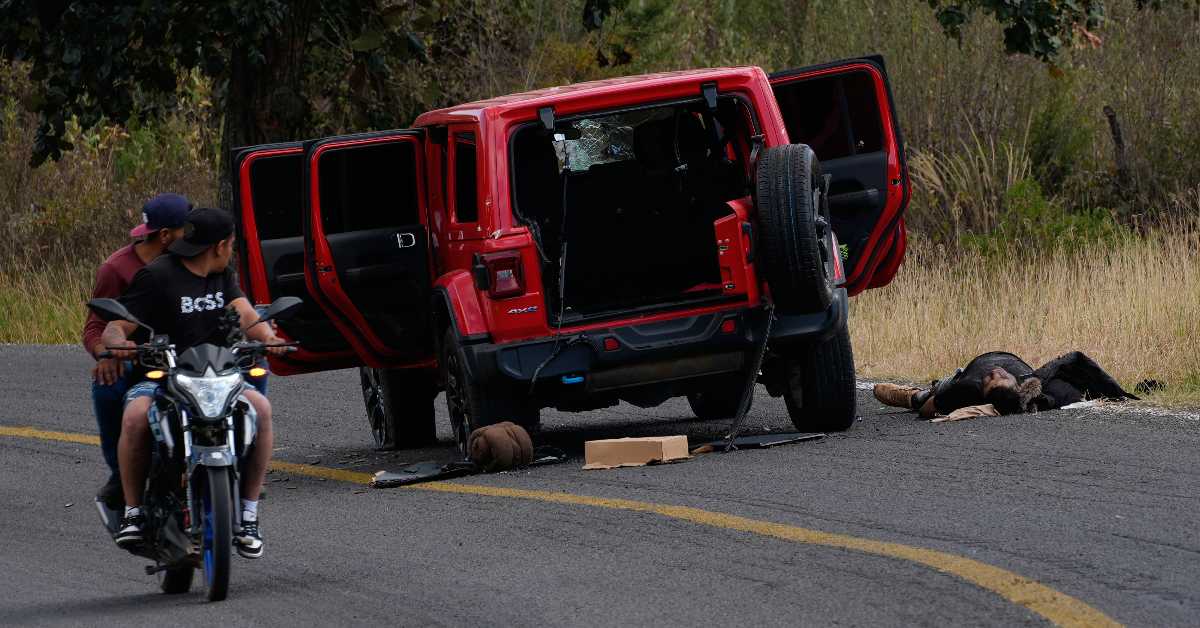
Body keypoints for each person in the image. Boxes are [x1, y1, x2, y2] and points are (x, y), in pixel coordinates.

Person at [101, 207, 286, 559]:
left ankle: (248, 515)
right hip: (163, 380)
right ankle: (133, 513)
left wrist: (269, 338)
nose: (231, 251)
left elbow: (247, 315)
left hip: (219, 378)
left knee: (261, 409)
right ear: (219, 245)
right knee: (135, 416)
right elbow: (117, 324)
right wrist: (118, 342)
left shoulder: (222, 276)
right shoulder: (156, 276)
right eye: (231, 245)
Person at [83, 193, 191, 507]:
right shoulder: (116, 269)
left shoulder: (190, 260)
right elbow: (94, 326)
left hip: (184, 355)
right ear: (166, 235)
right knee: (106, 384)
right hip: (137, 357)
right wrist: (106, 352)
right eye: (187, 229)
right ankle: (121, 473)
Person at [874, 351, 1138, 419]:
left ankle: (913, 396)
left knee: (934, 395)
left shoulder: (972, 388)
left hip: (962, 377)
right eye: (1001, 378)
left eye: (992, 381)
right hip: (1003, 358)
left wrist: (958, 392)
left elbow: (928, 413)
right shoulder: (1034, 383)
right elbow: (1076, 377)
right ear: (1015, 383)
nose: (994, 374)